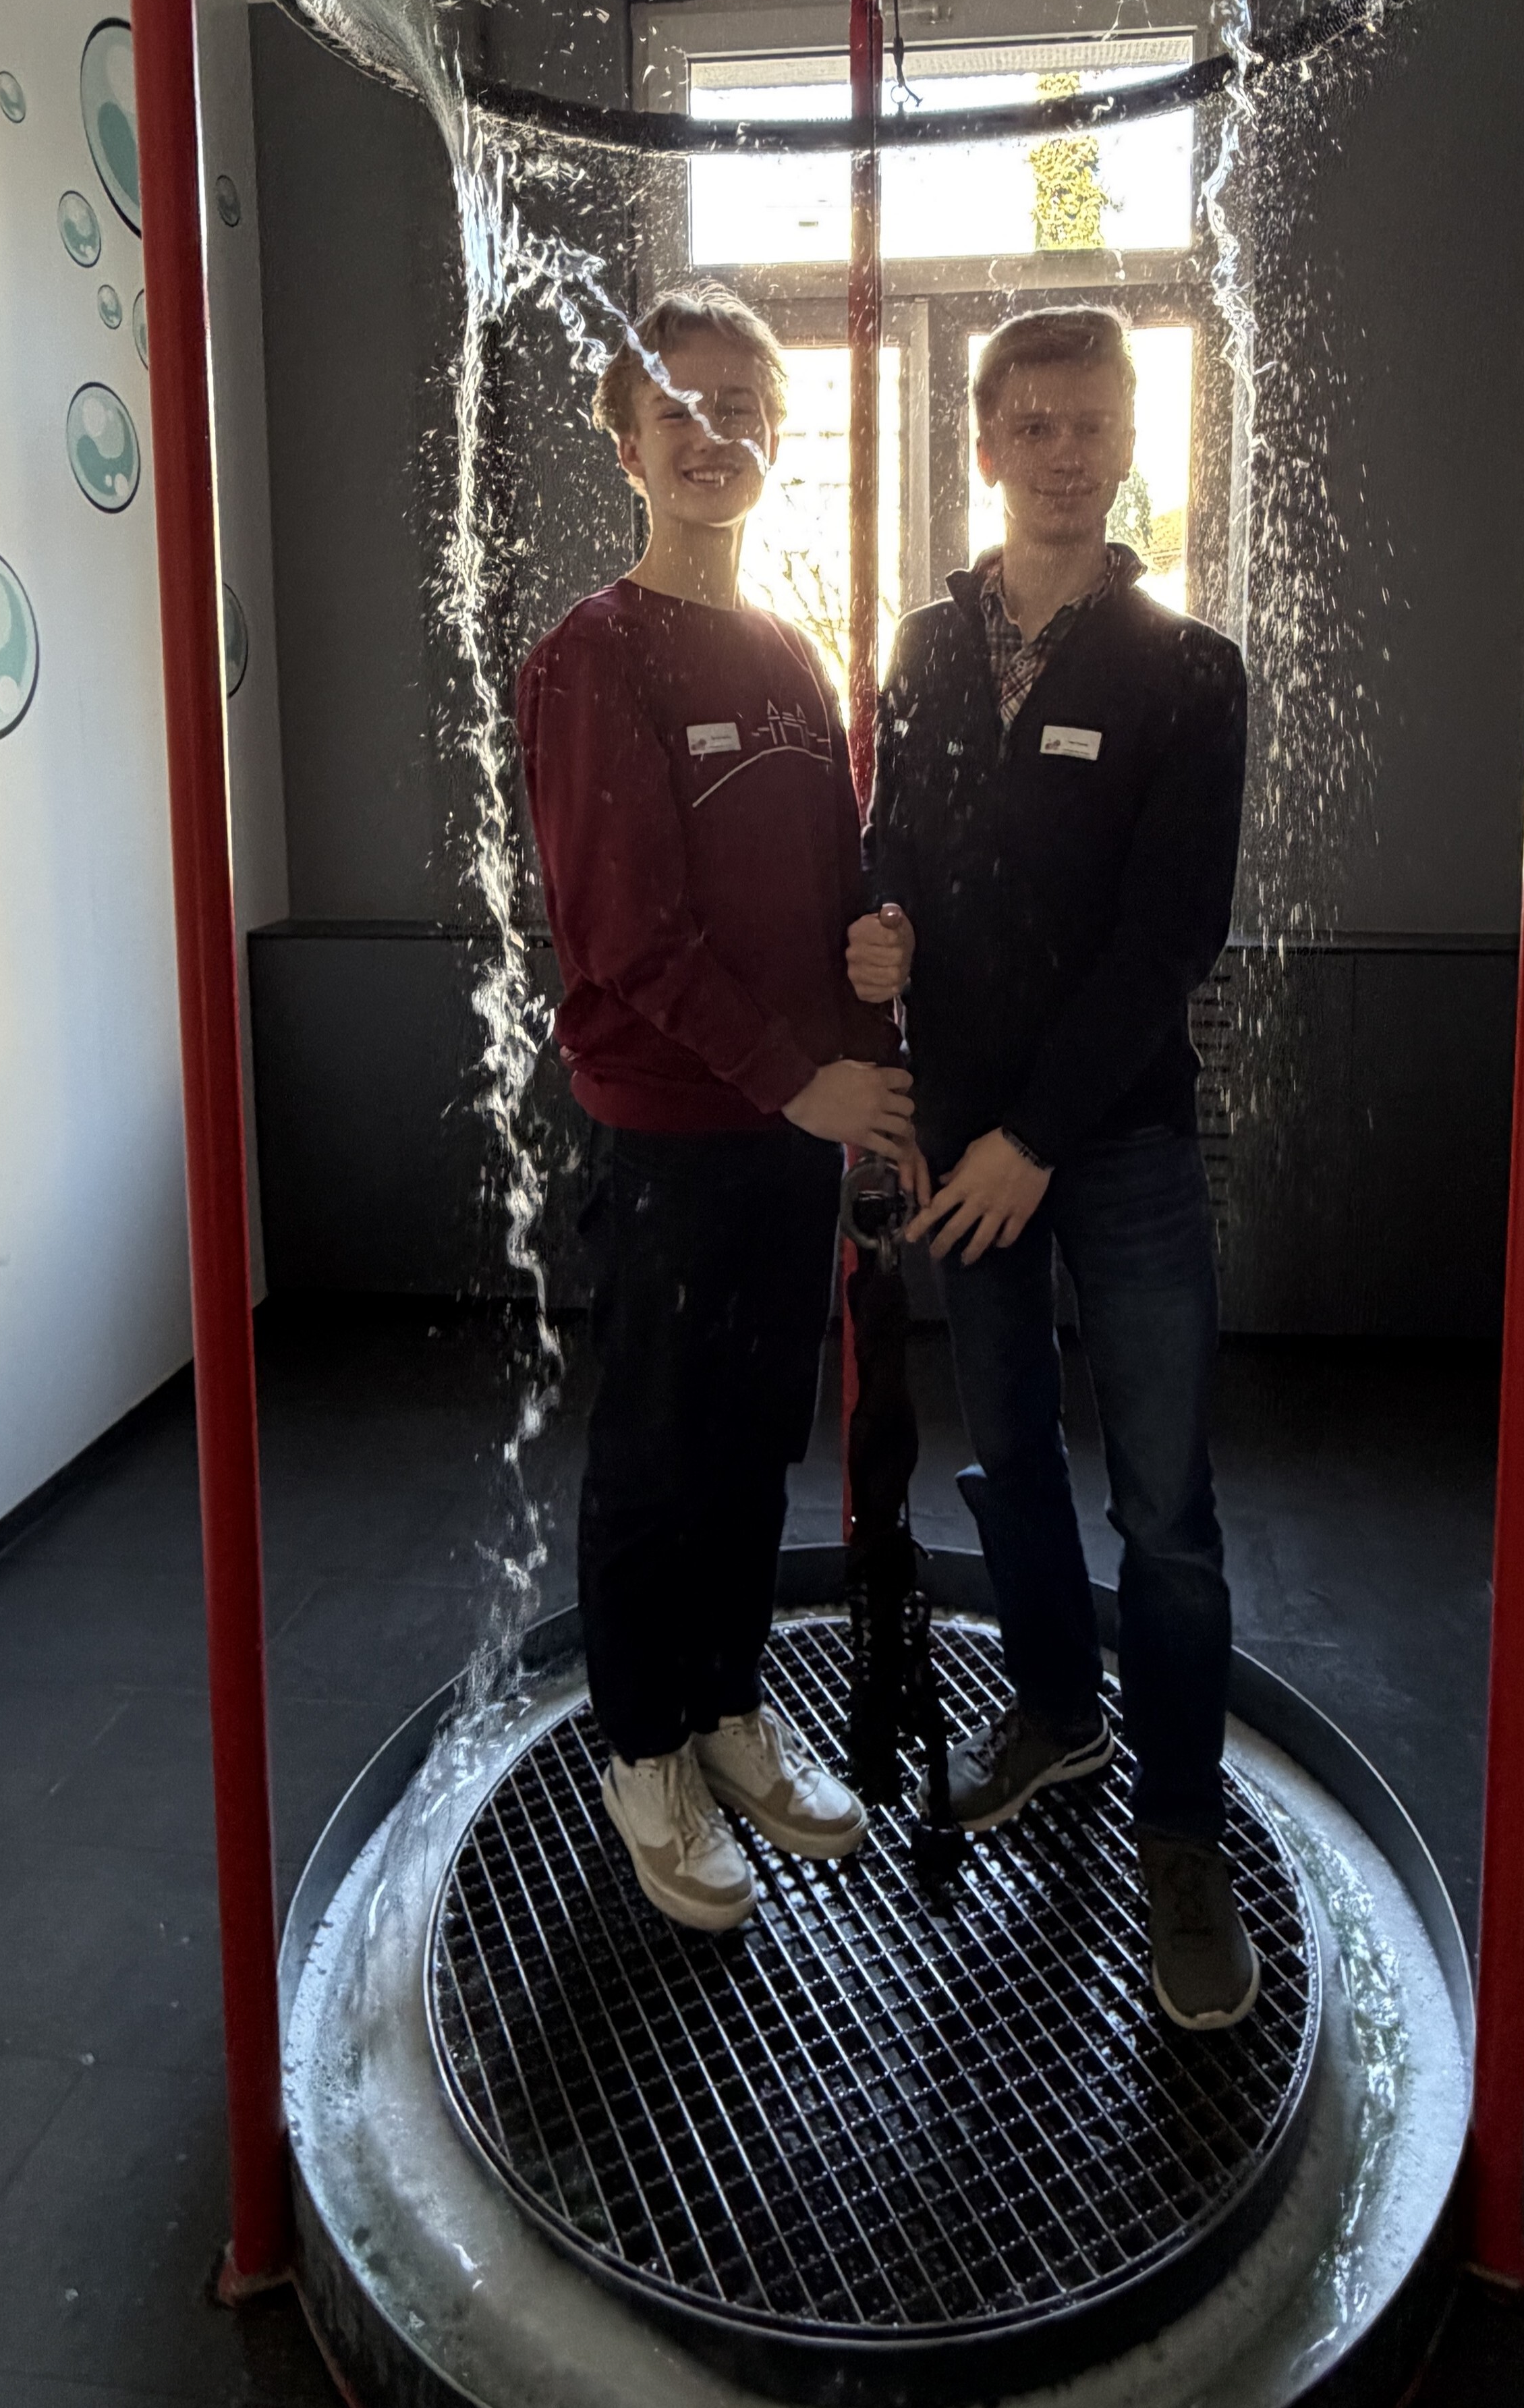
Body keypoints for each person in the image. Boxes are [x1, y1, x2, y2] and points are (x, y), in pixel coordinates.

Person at [862, 304, 1255, 2029]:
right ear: (984, 445)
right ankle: (1052, 1714)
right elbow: (891, 845)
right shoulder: (923, 649)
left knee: (1163, 1508)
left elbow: (1170, 935)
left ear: (1127, 439)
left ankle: (1180, 1831)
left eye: (1092, 422)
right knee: (1010, 1453)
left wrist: (1039, 1137)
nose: (1064, 451)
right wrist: (874, 927)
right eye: (1031, 423)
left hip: (1118, 1143)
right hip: (963, 1139)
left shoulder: (1188, 670)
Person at [515, 285, 911, 1935]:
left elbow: (831, 886)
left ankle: (728, 1705)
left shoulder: (788, 656)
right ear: (624, 442)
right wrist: (803, 1078)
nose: (711, 431)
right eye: (676, 405)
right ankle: (642, 1751)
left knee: (754, 1436)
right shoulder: (591, 659)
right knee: (656, 1450)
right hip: (673, 1133)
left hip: (785, 1133)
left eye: (742, 403)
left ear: (775, 436)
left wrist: (875, 951)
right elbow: (625, 934)